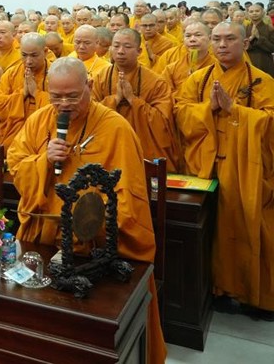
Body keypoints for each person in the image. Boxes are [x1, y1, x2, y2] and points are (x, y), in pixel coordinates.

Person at [7, 57, 165, 363]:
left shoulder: (115, 128)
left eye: (72, 96)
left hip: (93, 248)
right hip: (44, 238)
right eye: (56, 97)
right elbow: (16, 165)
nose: (64, 105)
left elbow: (128, 197)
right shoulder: (39, 120)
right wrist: (43, 161)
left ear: (89, 86)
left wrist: (88, 223)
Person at [175, 22, 274, 320]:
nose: (222, 45)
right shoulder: (199, 79)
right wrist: (208, 109)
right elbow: (180, 112)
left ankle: (255, 296)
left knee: (252, 224)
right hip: (206, 166)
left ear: (245, 44)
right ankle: (218, 290)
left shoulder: (262, 81)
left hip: (247, 168)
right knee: (212, 230)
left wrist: (235, 110)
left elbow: (270, 123)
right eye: (217, 39)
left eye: (230, 39)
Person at [91, 28, 178, 171]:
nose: (120, 51)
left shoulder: (155, 82)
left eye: (127, 46)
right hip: (109, 143)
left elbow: (163, 122)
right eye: (116, 46)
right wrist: (115, 99)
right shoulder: (100, 78)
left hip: (144, 147)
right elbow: (89, 114)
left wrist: (132, 99)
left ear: (139, 51)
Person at [0, 33, 51, 146]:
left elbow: (62, 108)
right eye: (24, 55)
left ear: (45, 52)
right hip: (14, 136)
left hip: (45, 135)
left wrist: (36, 93)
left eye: (34, 55)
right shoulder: (11, 74)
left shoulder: (56, 74)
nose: (28, 61)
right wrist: (22, 93)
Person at [160, 21, 217, 93]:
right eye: (188, 36)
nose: (192, 39)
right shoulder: (171, 69)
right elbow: (163, 94)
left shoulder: (217, 67)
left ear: (210, 39)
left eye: (198, 35)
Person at [245, 3, 274, 77]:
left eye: (257, 11)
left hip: (265, 61)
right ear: (248, 13)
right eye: (251, 11)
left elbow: (272, 48)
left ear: (263, 12)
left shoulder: (269, 28)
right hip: (249, 60)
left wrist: (259, 37)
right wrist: (251, 38)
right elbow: (241, 47)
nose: (254, 13)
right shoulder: (245, 28)